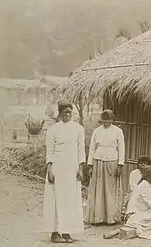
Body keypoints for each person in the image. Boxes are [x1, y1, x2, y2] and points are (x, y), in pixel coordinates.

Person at [43, 101, 86, 243]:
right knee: (56, 198)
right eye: (64, 112)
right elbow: (49, 151)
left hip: (72, 167)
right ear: (60, 113)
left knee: (70, 199)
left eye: (69, 112)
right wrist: (49, 170)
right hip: (57, 166)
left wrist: (80, 169)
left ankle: (67, 231)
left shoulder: (78, 129)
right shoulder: (53, 130)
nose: (67, 115)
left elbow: (81, 150)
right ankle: (55, 232)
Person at [87, 109, 126, 225]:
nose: (106, 122)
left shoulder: (118, 131)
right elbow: (92, 148)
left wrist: (120, 165)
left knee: (110, 189)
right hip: (98, 161)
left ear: (112, 120)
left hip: (112, 161)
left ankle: (111, 217)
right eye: (104, 120)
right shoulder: (96, 131)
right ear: (101, 120)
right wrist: (90, 165)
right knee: (98, 189)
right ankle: (98, 217)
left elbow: (121, 148)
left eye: (109, 120)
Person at [123, 156, 151, 221]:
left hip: (147, 193)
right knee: (134, 195)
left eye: (145, 163)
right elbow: (132, 186)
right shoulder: (133, 173)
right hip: (135, 192)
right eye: (141, 163)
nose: (143, 164)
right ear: (138, 164)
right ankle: (129, 214)